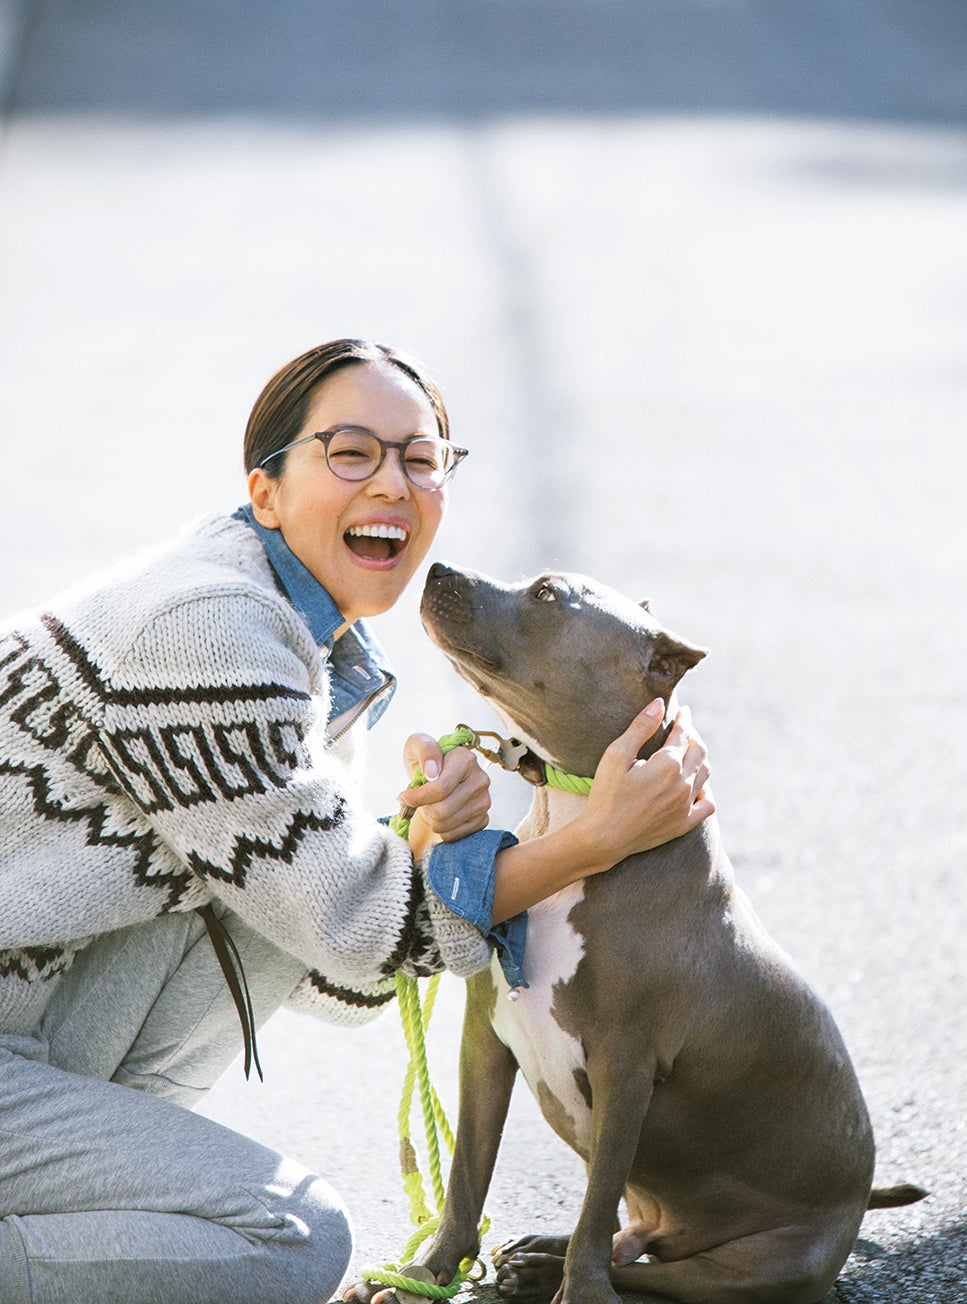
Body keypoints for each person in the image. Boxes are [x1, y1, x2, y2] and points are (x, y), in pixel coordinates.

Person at [0, 337, 713, 1304]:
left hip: (30, 1020)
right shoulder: (213, 630)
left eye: (421, 459)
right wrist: (595, 839)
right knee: (291, 1237)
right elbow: (369, 934)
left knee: (244, 931)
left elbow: (333, 971)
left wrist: (412, 851)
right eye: (350, 453)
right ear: (267, 492)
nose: (393, 483)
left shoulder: (320, 651)